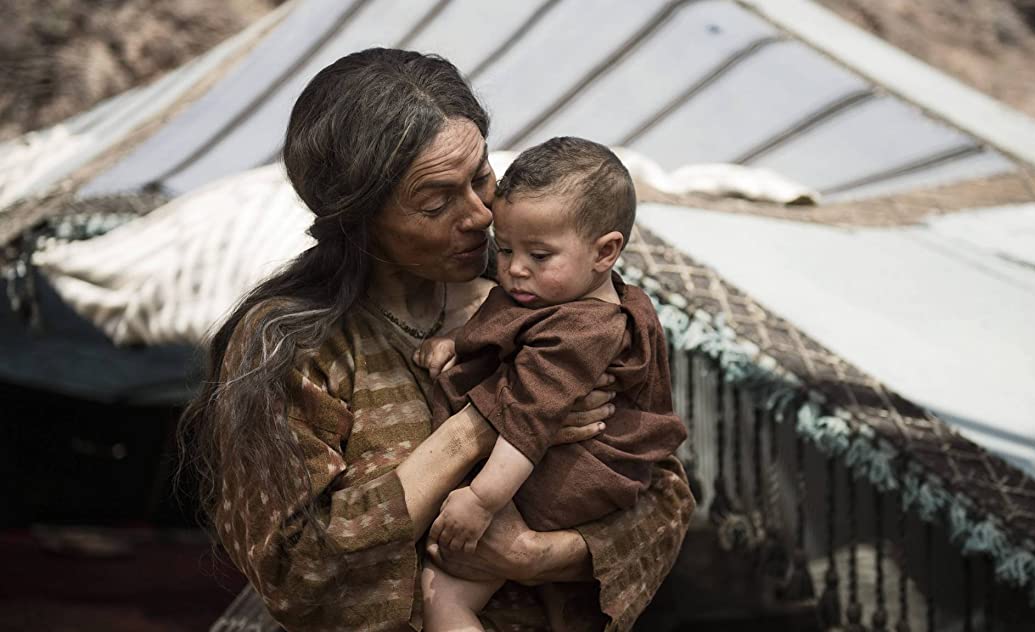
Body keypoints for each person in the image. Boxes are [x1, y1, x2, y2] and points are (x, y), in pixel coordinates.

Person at [179, 48, 695, 632]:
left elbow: (666, 496)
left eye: (482, 177)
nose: (479, 214)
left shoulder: (555, 303)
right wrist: (484, 425)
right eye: (436, 201)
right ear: (359, 219)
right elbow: (296, 572)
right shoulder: (295, 348)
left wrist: (538, 556)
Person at [414, 136, 688, 631]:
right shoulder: (561, 300)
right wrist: (459, 340)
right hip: (568, 486)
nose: (516, 268)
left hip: (560, 479)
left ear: (605, 251)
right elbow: (512, 337)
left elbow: (526, 420)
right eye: (507, 249)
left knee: (442, 597)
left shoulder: (580, 331)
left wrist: (480, 501)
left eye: (539, 255)